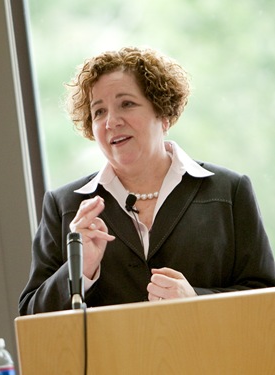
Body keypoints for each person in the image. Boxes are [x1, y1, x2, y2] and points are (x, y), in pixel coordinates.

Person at [19, 46, 275, 315]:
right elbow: (31, 317)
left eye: (126, 104)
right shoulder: (66, 206)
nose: (111, 122)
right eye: (99, 112)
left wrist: (196, 300)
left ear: (162, 113)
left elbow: (266, 298)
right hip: (111, 358)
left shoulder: (228, 191)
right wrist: (80, 270)